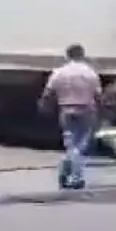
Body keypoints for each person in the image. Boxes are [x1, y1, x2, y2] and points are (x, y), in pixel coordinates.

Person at [39, 44, 102, 190]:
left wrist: (44, 107)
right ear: (83, 55)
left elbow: (48, 93)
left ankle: (64, 172)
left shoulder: (59, 73)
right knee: (80, 146)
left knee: (71, 143)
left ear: (67, 56)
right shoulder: (90, 73)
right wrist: (101, 112)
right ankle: (76, 177)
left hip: (66, 109)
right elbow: (98, 95)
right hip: (86, 110)